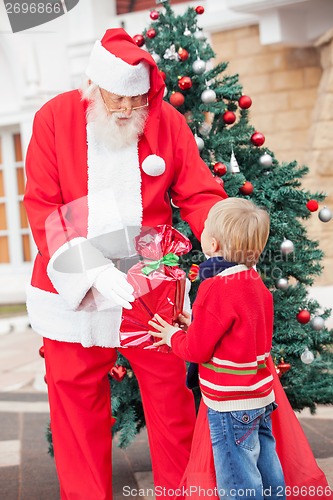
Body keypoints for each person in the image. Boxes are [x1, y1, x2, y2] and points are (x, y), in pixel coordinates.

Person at [23, 28, 227, 499]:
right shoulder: (54, 118)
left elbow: (199, 194)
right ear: (94, 85)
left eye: (136, 103)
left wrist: (227, 242)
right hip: (71, 285)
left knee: (171, 401)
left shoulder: (165, 121)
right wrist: (92, 271)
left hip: (149, 282)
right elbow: (44, 207)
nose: (125, 112)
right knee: (74, 401)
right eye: (116, 100)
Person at [149, 198, 286, 500]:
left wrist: (173, 335)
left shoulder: (215, 287)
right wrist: (195, 323)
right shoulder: (255, 283)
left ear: (211, 243)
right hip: (259, 396)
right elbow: (237, 331)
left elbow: (197, 350)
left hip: (231, 402)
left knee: (238, 477)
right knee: (266, 463)